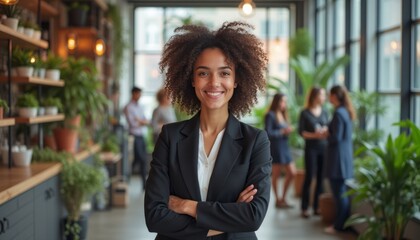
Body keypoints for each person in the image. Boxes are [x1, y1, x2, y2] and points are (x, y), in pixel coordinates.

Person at [144, 21, 272, 240]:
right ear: (192, 79)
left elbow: (253, 216)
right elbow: (155, 216)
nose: (214, 83)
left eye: (224, 73)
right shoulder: (170, 137)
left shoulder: (255, 141)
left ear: (236, 80)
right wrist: (230, 219)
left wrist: (187, 206)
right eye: (203, 73)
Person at [324, 85, 356, 233]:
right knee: (341, 193)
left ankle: (339, 226)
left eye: (330, 95)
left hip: (337, 160)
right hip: (345, 158)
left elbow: (335, 137)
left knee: (339, 194)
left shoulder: (338, 113)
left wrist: (325, 134)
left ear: (335, 96)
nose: (328, 98)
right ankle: (343, 223)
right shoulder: (346, 112)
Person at [298, 87, 329, 218]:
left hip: (323, 148)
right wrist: (315, 135)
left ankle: (317, 207)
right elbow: (301, 132)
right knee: (310, 177)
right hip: (311, 148)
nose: (324, 97)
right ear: (315, 96)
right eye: (322, 95)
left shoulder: (325, 112)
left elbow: (328, 126)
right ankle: (305, 207)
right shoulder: (305, 113)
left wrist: (324, 132)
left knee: (321, 178)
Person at [264, 93, 296, 208]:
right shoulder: (270, 115)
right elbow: (268, 133)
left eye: (285, 101)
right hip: (276, 148)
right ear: (277, 101)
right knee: (276, 175)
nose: (284, 104)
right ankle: (278, 199)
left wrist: (287, 130)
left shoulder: (283, 115)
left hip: (285, 147)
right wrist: (283, 132)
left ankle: (283, 198)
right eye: (282, 101)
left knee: (292, 173)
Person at [124, 86, 149, 190]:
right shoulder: (128, 107)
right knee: (140, 159)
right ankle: (142, 183)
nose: (139, 96)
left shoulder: (140, 107)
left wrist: (140, 121)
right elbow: (133, 124)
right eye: (138, 94)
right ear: (133, 94)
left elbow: (146, 121)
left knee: (139, 160)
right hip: (134, 136)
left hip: (141, 136)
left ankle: (130, 180)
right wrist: (141, 121)